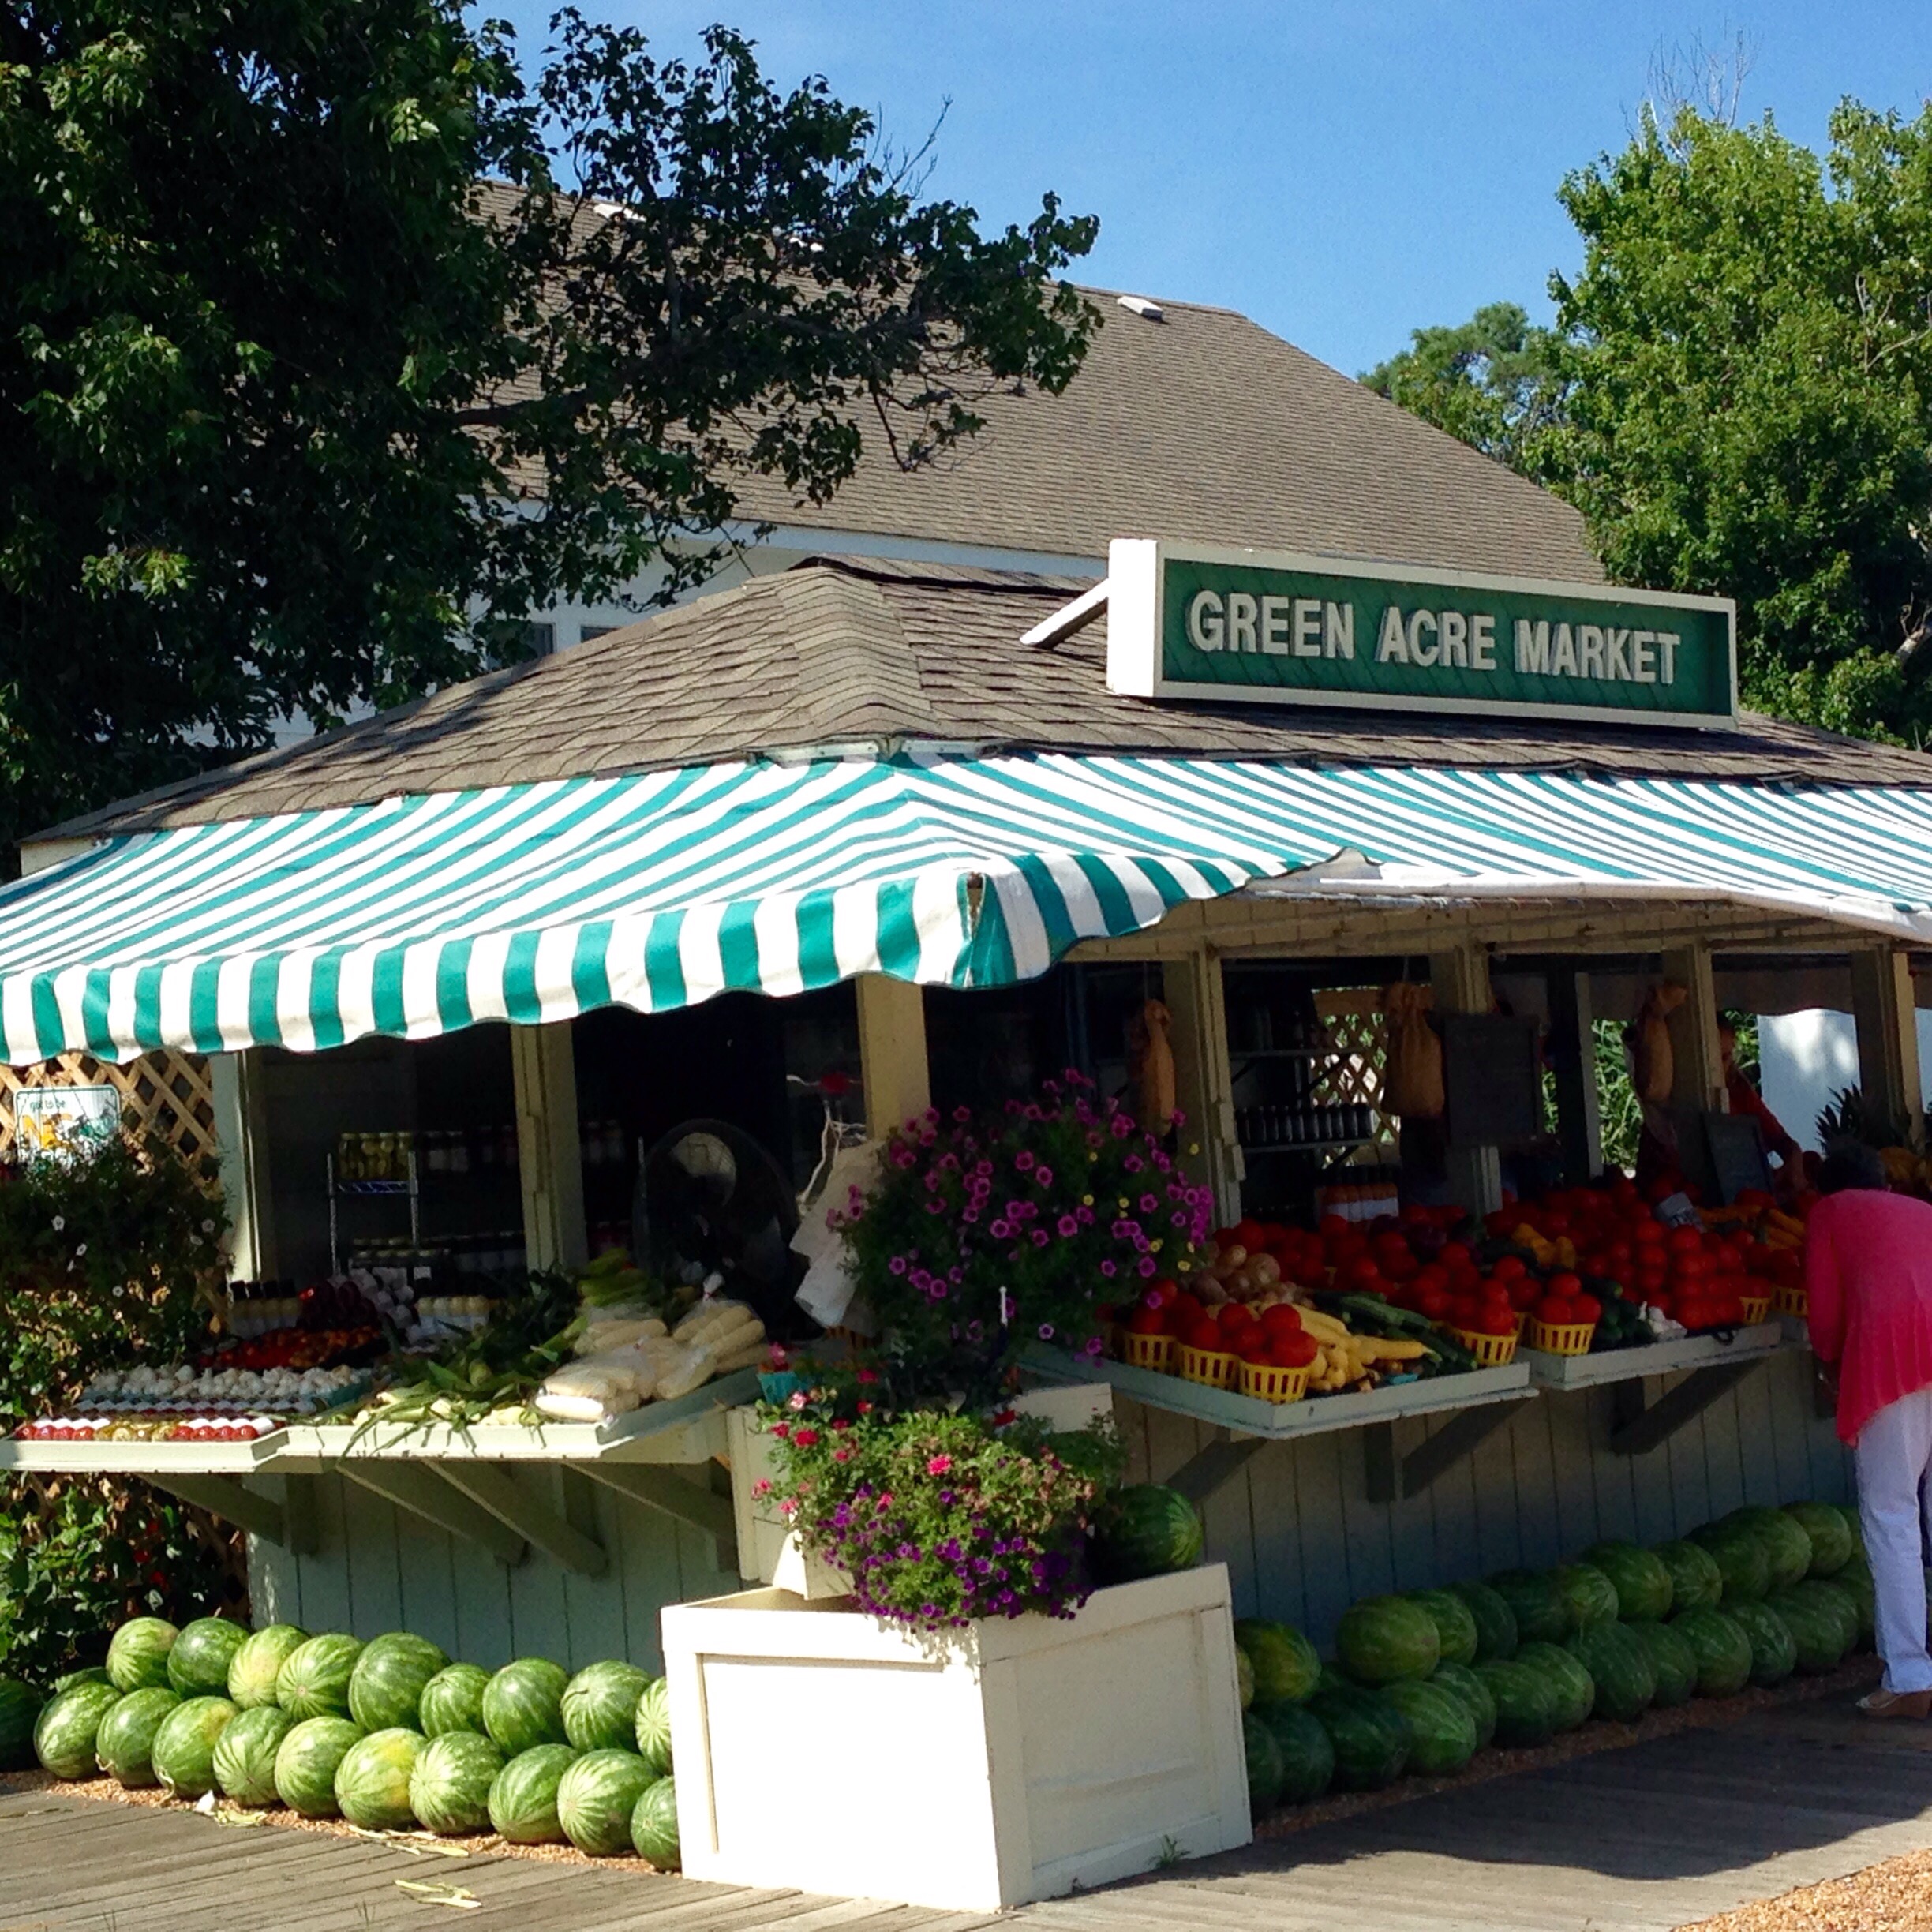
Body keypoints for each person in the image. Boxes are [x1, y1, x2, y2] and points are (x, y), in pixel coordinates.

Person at [1806, 1140, 1932, 1717]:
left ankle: (1909, 1675)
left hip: (1892, 1359)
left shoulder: (1829, 1213)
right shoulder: (1922, 1210)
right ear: (1884, 1182)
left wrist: (1830, 1363)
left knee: (1891, 1514)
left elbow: (1826, 1316)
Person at [1718, 1020, 1804, 1192]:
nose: (1720, 1066)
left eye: (1725, 1057)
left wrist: (1793, 1162)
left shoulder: (1739, 1089)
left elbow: (1781, 1139)